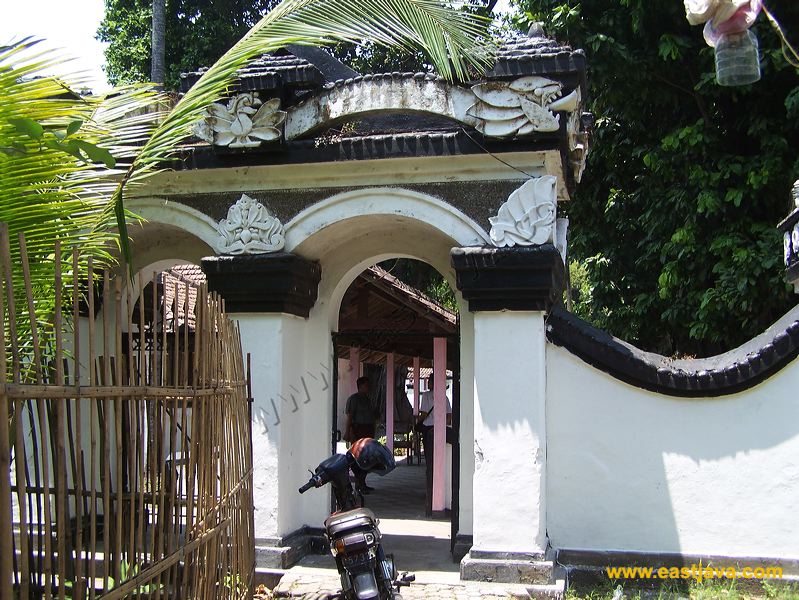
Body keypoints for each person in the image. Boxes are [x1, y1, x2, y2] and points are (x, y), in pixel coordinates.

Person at [416, 373, 451, 515]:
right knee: (440, 461)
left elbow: (423, 414)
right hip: (441, 431)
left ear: (431, 383)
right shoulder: (445, 397)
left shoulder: (426, 396)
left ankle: (431, 495)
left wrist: (419, 422)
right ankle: (440, 493)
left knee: (430, 463)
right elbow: (449, 418)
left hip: (429, 431)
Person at [344, 376, 377, 493]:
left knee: (367, 458)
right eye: (367, 385)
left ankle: (363, 482)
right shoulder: (353, 399)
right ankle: (358, 483)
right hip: (358, 430)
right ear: (361, 386)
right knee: (357, 457)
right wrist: (348, 432)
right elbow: (350, 417)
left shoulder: (368, 400)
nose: (369, 387)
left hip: (368, 430)